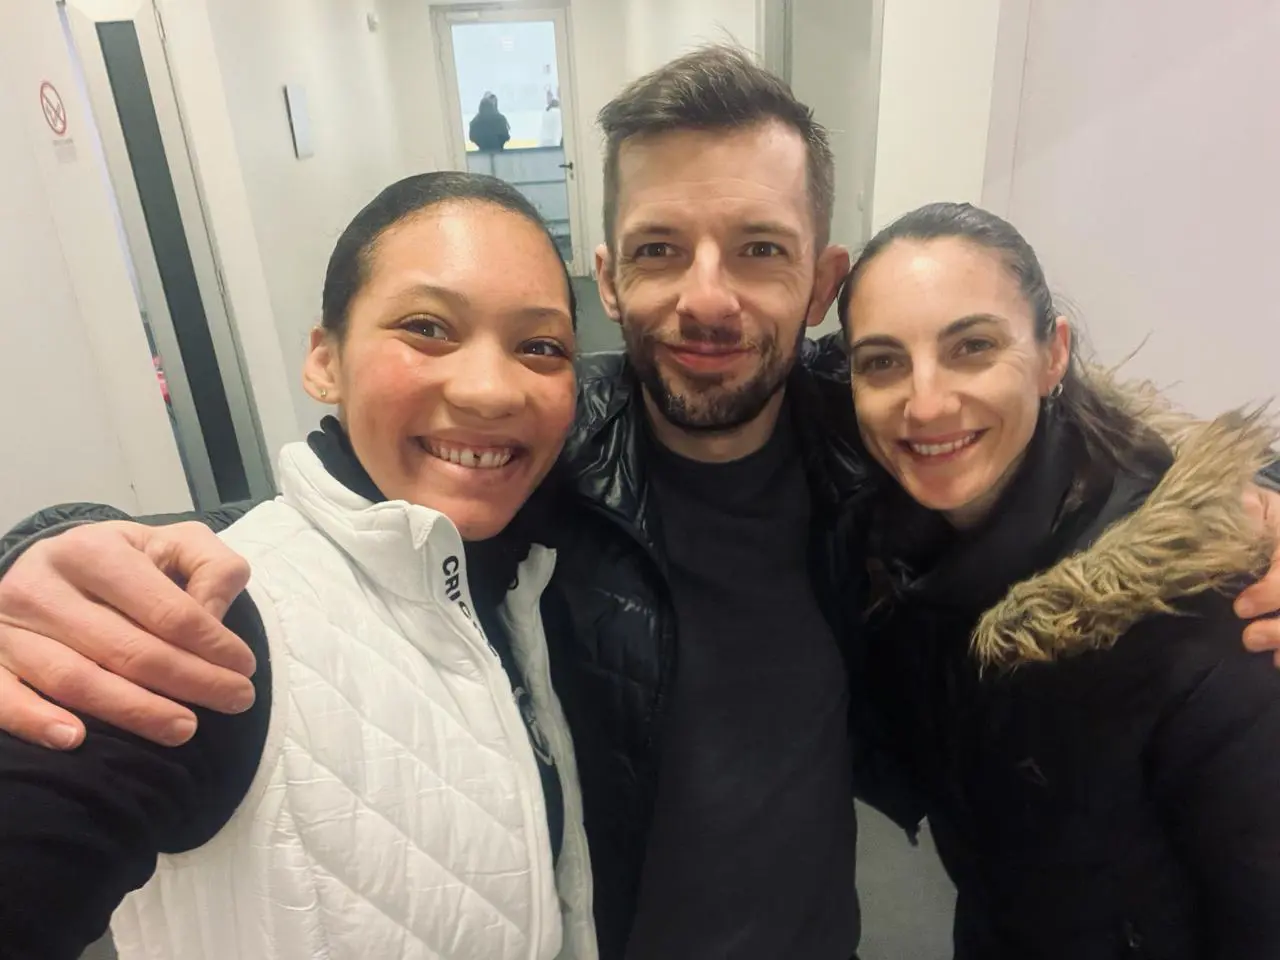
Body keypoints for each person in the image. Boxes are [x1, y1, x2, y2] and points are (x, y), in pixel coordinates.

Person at [2, 47, 1280, 960]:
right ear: (609, 276)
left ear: (822, 279)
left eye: (761, 251)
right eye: (661, 250)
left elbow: (1063, 459)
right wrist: (55, 546)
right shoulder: (535, 457)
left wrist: (1255, 497)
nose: (707, 300)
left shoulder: (878, 444)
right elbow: (336, 515)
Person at [0, 172, 597, 960]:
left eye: (540, 345)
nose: (489, 390)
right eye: (426, 328)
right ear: (324, 361)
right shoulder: (214, 619)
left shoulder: (535, 573)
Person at [842, 202, 1280, 958]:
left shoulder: (1209, 617)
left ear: (1054, 356)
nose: (925, 401)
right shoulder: (898, 558)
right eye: (881, 361)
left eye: (972, 346)